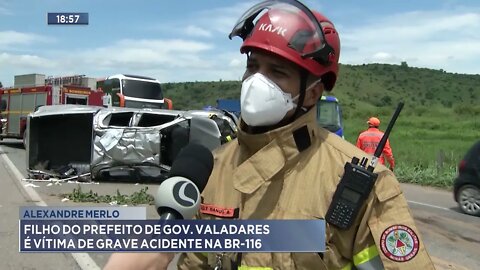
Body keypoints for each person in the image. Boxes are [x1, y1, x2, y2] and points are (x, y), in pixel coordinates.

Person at [104, 0, 434, 269]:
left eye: (278, 72)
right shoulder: (212, 170)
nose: (256, 82)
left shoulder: (362, 183)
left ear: (312, 93)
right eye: (253, 66)